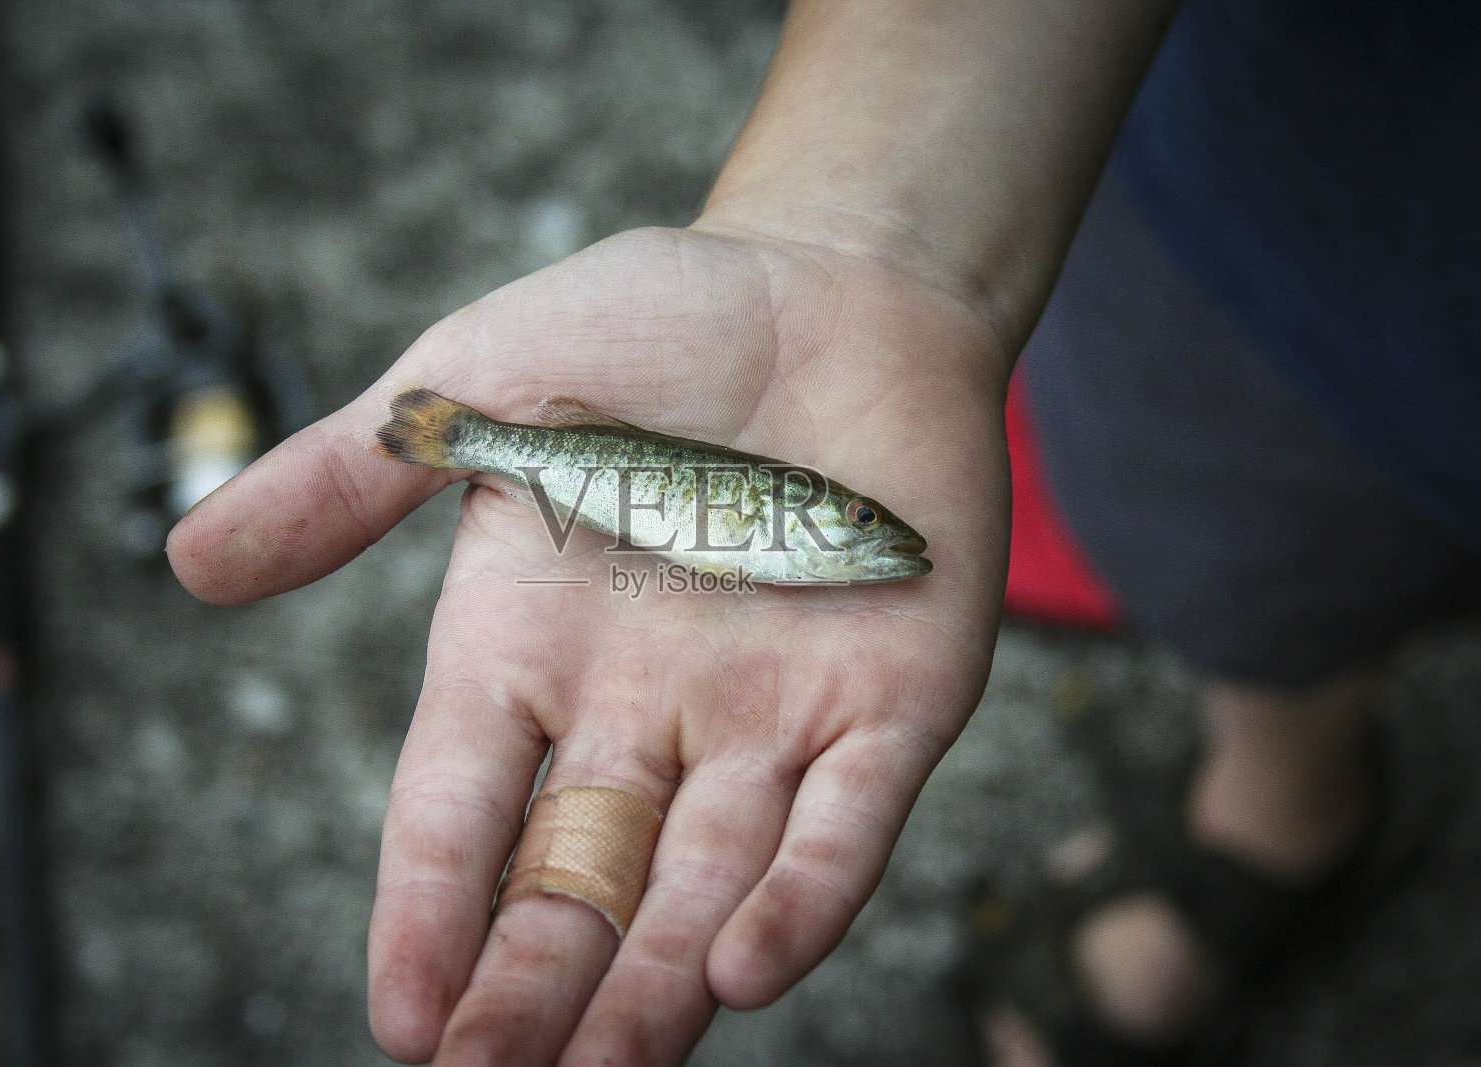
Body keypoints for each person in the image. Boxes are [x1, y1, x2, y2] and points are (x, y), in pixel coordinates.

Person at [166, 1, 1480, 1064]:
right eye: (851, 519)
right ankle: (1280, 806)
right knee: (1241, 552)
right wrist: (855, 230)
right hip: (1272, 212)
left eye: (849, 518)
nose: (873, 534)